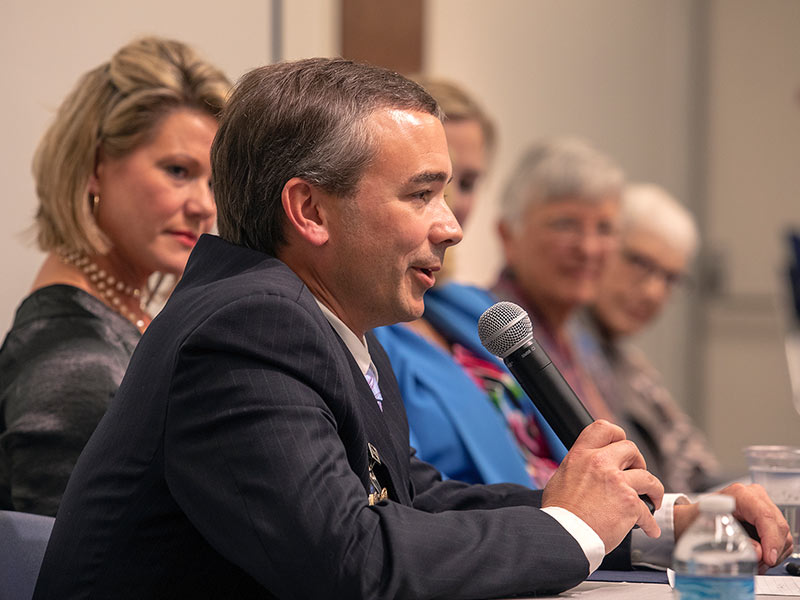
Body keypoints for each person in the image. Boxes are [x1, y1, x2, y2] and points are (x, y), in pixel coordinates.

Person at [34, 58, 791, 599]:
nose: (453, 227)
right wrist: (569, 529)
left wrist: (646, 525)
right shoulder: (247, 328)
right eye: (423, 194)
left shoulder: (325, 319)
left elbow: (416, 503)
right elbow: (351, 564)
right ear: (309, 211)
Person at [0, 37, 230, 516]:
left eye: (213, 182)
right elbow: (67, 573)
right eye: (177, 170)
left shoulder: (123, 317)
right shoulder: (75, 363)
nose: (204, 206)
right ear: (94, 167)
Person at [375, 78, 565, 488]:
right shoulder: (366, 330)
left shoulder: (477, 308)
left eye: (467, 183)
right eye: (428, 186)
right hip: (505, 534)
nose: (453, 206)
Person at [574, 183, 722, 492]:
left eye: (670, 278)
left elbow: (700, 472)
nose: (654, 292)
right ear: (603, 246)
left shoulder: (631, 366)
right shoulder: (559, 350)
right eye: (641, 264)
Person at [492, 137, 626, 425]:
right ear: (508, 235)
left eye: (604, 228)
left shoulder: (583, 335)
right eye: (566, 225)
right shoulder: (496, 339)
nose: (588, 249)